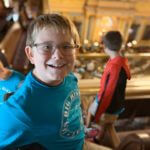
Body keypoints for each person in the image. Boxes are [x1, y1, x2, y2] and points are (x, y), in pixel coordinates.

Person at [0, 13, 85, 150]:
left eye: (67, 46)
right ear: (30, 54)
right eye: (46, 47)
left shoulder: (69, 77)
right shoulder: (21, 108)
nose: (58, 56)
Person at [86, 31, 131, 129]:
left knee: (90, 110)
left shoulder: (114, 67)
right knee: (108, 127)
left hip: (109, 106)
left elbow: (108, 93)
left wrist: (98, 113)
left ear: (105, 47)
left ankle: (88, 131)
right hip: (118, 102)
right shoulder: (122, 61)